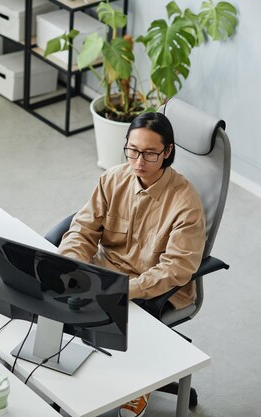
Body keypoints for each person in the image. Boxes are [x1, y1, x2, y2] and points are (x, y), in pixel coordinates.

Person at [57, 112, 205, 417]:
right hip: (106, 274)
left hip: (154, 290)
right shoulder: (113, 178)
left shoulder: (185, 202)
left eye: (150, 153)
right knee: (56, 302)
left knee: (100, 321)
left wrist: (122, 291)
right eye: (133, 150)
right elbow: (83, 230)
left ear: (168, 152)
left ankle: (131, 386)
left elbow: (175, 269)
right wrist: (71, 268)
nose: (139, 161)